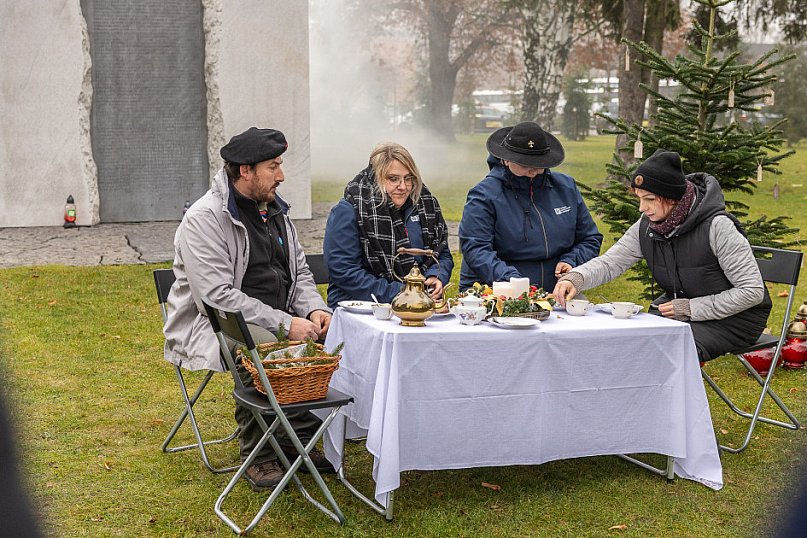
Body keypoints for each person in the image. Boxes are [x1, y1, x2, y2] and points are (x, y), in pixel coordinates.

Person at [163, 127, 334, 491]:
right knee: (259, 346)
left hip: (277, 317)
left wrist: (314, 309)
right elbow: (217, 298)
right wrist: (286, 324)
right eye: (273, 166)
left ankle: (293, 437)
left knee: (337, 334)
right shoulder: (204, 219)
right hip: (217, 324)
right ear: (245, 170)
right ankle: (259, 453)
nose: (282, 175)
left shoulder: (276, 211)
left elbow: (299, 272)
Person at [553, 149, 771, 362]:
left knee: (662, 352)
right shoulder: (648, 225)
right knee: (628, 342)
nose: (641, 208)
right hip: (680, 311)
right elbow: (612, 263)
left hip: (734, 320)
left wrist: (691, 308)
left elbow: (751, 291)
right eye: (639, 198)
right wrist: (577, 277)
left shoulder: (717, 227)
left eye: (649, 199)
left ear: (672, 197)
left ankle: (671, 398)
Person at [458, 121, 602, 292]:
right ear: (506, 159)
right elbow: (476, 249)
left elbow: (590, 238)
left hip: (556, 290)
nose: (533, 171)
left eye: (539, 164)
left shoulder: (566, 187)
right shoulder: (484, 195)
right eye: (525, 165)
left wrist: (572, 261)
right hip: (498, 290)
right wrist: (514, 281)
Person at [323, 142, 453, 307]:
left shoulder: (427, 205)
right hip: (361, 305)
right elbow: (344, 271)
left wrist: (436, 276)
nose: (403, 187)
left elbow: (442, 254)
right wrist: (403, 293)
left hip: (420, 301)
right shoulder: (350, 209)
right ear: (376, 178)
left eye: (409, 178)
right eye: (393, 179)